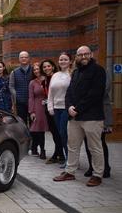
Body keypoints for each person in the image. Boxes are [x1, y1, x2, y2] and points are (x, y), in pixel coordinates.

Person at [54, 46, 106, 186]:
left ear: (91, 54)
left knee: (94, 147)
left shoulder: (98, 71)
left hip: (92, 117)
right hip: (75, 117)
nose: (83, 57)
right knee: (72, 145)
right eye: (80, 55)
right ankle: (70, 171)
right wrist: (69, 106)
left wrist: (77, 108)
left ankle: (97, 175)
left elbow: (95, 94)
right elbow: (69, 92)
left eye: (86, 54)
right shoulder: (76, 72)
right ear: (76, 57)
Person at [84, 72, 112, 179]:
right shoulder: (83, 75)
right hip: (86, 113)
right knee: (88, 142)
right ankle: (92, 166)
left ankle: (105, 167)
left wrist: (87, 93)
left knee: (100, 142)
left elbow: (103, 91)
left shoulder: (103, 73)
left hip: (101, 113)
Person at [48, 52, 72, 166]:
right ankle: (69, 157)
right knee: (60, 134)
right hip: (56, 109)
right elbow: (50, 93)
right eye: (61, 59)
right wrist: (50, 106)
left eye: (65, 59)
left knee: (64, 133)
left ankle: (69, 159)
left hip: (66, 108)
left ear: (70, 61)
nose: (63, 61)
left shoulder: (72, 75)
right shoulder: (55, 75)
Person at [41, 59, 64, 165]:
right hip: (49, 109)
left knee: (60, 132)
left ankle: (61, 155)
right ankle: (58, 154)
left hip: (58, 108)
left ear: (53, 67)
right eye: (44, 67)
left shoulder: (57, 78)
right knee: (54, 133)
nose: (46, 68)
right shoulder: (44, 80)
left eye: (48, 66)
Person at [28, 62, 48, 159]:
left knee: (46, 128)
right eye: (34, 70)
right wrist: (32, 111)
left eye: (37, 69)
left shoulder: (47, 79)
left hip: (48, 106)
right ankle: (42, 150)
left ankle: (34, 147)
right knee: (38, 129)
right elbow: (31, 97)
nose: (36, 71)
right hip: (37, 106)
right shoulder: (32, 82)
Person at [9, 51, 33, 124]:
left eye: (25, 57)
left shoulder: (33, 70)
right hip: (20, 102)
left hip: (32, 102)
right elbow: (11, 86)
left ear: (29, 58)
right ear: (19, 59)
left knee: (34, 123)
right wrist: (16, 96)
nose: (24, 59)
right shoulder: (14, 72)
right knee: (22, 123)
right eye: (22, 57)